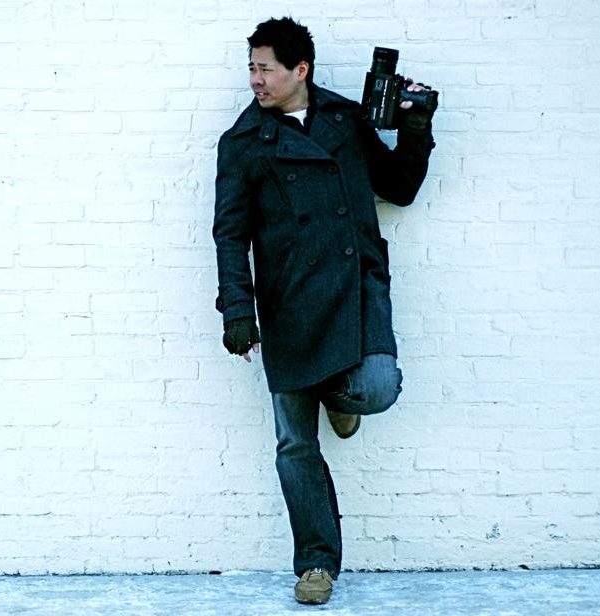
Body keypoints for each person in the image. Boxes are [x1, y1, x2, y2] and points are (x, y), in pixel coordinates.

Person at [212, 17, 436, 605]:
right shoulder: (243, 142)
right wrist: (237, 309)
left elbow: (400, 188)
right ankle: (316, 564)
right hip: (287, 299)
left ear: (300, 70)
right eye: (251, 68)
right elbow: (231, 234)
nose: (255, 80)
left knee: (378, 387)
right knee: (295, 444)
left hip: (356, 285)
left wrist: (416, 128)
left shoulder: (345, 120)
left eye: (265, 69)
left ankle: (341, 396)